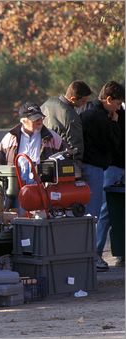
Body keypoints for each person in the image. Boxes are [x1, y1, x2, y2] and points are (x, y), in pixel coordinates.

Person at [80, 81, 124, 271]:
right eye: (117, 103)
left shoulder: (98, 114)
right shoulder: (104, 117)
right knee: (102, 212)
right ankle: (95, 253)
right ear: (108, 99)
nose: (119, 107)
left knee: (106, 211)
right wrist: (114, 123)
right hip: (108, 168)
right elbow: (113, 143)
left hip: (108, 167)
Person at [0, 102, 64, 209]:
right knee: (18, 219)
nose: (40, 121)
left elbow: (64, 157)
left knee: (41, 219)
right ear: (23, 121)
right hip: (17, 190)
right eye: (35, 119)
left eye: (41, 118)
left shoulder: (52, 137)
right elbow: (1, 160)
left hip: (43, 189)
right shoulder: (9, 138)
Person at [41, 80, 92, 175]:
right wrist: (77, 167)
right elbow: (76, 146)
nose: (84, 104)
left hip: (41, 159)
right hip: (60, 163)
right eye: (83, 101)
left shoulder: (47, 103)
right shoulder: (71, 115)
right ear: (73, 98)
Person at [96, 103, 125, 269]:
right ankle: (97, 251)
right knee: (106, 211)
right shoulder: (111, 113)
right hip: (113, 167)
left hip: (116, 166)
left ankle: (122, 252)